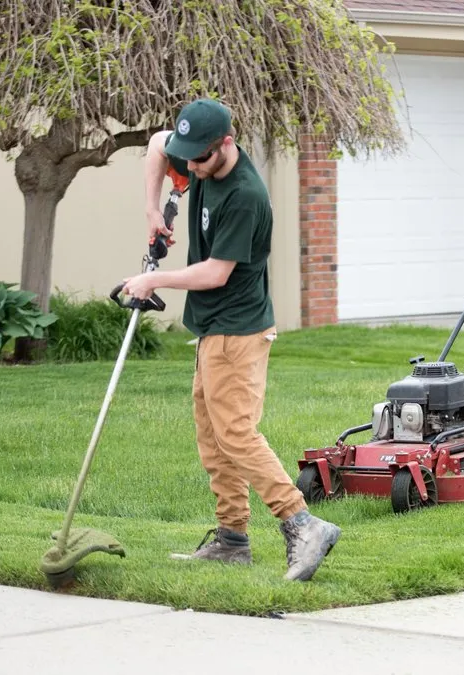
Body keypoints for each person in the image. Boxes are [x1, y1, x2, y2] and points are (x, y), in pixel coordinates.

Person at [122, 98, 341, 581]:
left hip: (239, 330)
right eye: (189, 158)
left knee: (236, 434)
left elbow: (217, 273)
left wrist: (152, 281)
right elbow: (157, 147)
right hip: (211, 330)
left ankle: (303, 524)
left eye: (199, 159)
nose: (192, 167)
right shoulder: (195, 155)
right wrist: (151, 210)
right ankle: (232, 540)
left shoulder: (245, 195)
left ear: (225, 144)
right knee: (213, 438)